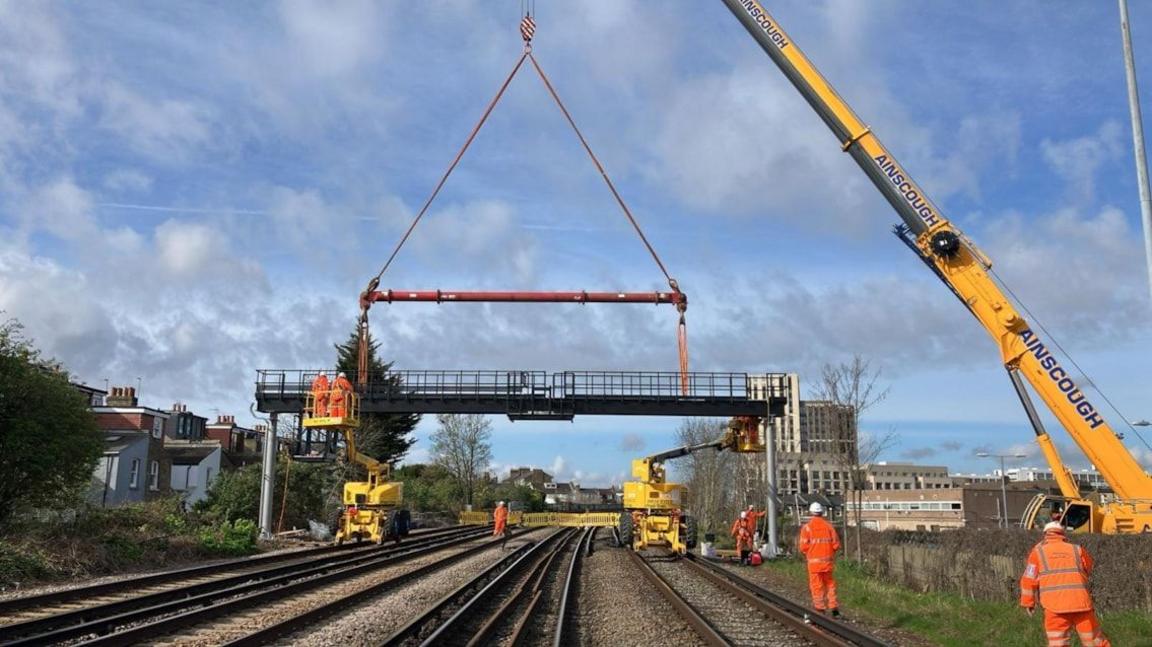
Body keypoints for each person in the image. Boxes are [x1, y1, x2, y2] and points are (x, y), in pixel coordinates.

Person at [1020, 522, 1111, 647]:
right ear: (1062, 534)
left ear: (1045, 534)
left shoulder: (1037, 552)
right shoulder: (1077, 549)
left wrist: (1028, 602)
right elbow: (1088, 567)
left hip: (1054, 607)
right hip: (1081, 604)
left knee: (1058, 643)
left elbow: (1029, 579)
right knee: (1095, 641)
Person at [799, 501, 841, 617]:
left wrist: (811, 552)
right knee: (830, 584)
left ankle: (820, 608)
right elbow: (836, 545)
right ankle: (834, 608)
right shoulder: (829, 527)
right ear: (822, 512)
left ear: (811, 512)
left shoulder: (807, 528)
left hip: (813, 564)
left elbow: (803, 547)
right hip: (827, 563)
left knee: (816, 586)